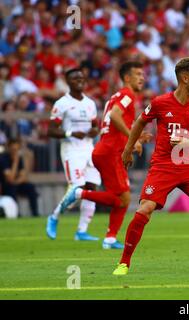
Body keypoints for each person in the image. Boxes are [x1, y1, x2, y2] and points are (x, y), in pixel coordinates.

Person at [112, 57, 189, 275]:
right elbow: (139, 122)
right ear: (184, 79)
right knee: (144, 209)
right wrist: (128, 150)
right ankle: (124, 263)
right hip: (163, 167)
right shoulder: (160, 103)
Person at [58, 61, 149, 249]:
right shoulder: (127, 95)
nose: (142, 78)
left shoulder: (116, 96)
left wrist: (136, 137)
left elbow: (112, 123)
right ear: (127, 78)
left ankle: (110, 238)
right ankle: (80, 193)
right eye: (138, 74)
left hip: (106, 149)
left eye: (143, 74)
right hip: (109, 153)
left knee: (122, 198)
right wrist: (133, 138)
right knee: (122, 198)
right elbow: (115, 116)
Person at [45, 68, 101, 241]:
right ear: (68, 82)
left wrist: (93, 131)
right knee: (77, 187)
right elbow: (51, 130)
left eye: (81, 77)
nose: (79, 80)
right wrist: (70, 133)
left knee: (92, 188)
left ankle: (81, 231)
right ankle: (54, 216)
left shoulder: (90, 103)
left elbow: (95, 126)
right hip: (71, 150)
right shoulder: (61, 103)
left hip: (88, 148)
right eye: (75, 78)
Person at [0, 138, 40, 217]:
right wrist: (15, 161)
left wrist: (16, 182)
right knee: (12, 188)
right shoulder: (3, 159)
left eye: (17, 149)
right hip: (5, 186)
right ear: (9, 148)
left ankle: (35, 213)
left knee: (30, 188)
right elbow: (10, 178)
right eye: (13, 149)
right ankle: (17, 214)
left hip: (16, 183)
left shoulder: (19, 158)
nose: (15, 151)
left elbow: (24, 177)